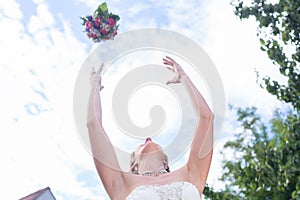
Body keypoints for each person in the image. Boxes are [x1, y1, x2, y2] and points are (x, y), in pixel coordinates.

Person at [86, 56, 214, 200]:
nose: (148, 138)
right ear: (134, 165)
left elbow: (207, 118)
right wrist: (94, 85)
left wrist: (184, 78)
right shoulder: (122, 183)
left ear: (166, 163)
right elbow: (93, 125)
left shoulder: (191, 173)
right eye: (138, 146)